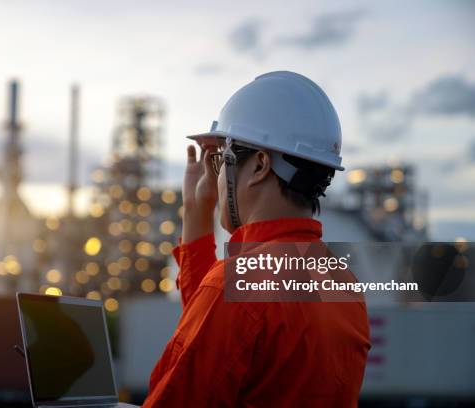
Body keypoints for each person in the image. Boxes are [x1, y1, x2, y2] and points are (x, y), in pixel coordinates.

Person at [143, 71, 370, 407]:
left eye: (221, 160)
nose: (216, 175)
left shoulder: (236, 288)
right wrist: (197, 209)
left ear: (261, 164)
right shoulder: (344, 287)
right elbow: (216, 334)